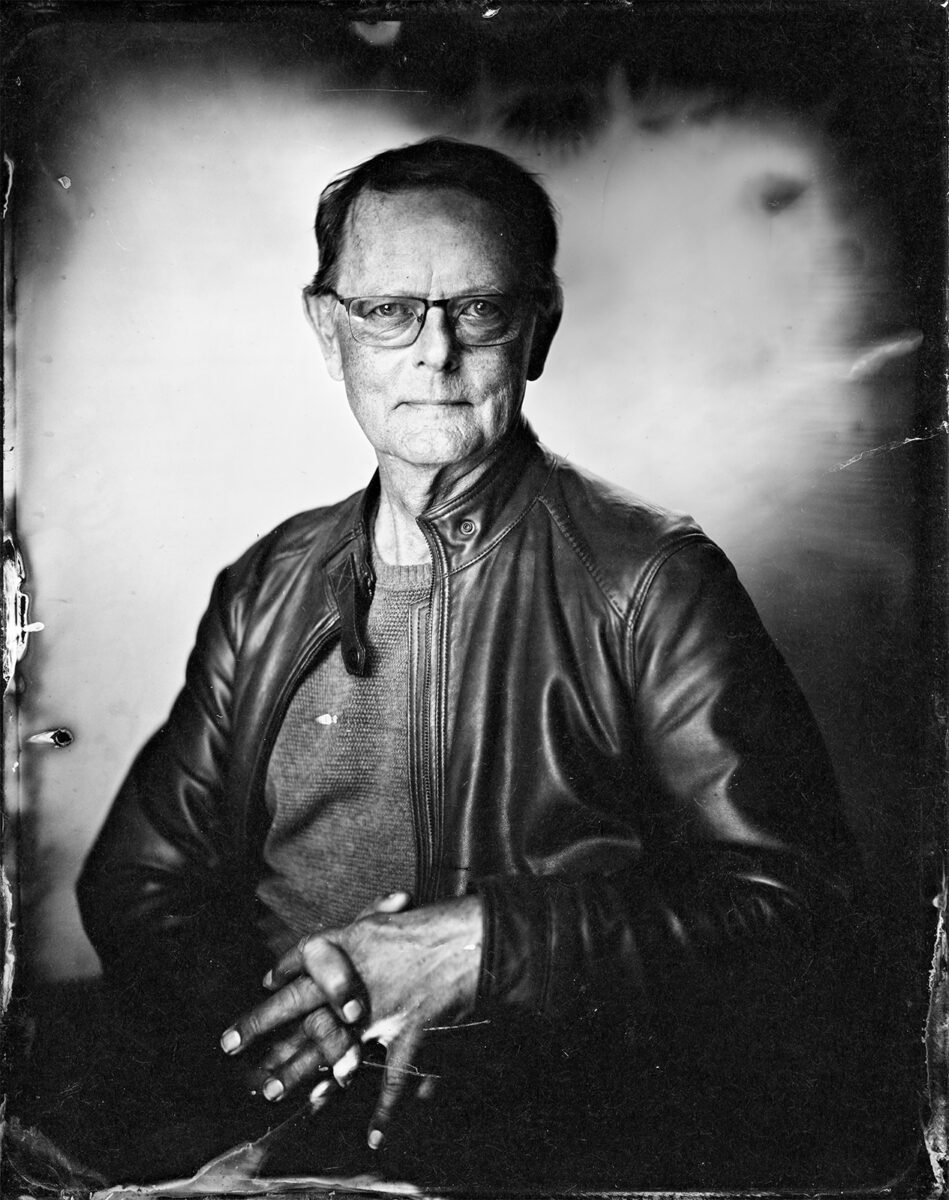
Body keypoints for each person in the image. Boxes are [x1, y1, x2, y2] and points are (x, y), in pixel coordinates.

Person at [76, 138, 875, 1187]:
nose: (435, 353)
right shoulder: (267, 584)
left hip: (543, 1152)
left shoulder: (651, 580)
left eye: (480, 311)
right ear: (327, 329)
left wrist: (486, 945)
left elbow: (799, 913)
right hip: (272, 1139)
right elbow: (139, 882)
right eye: (387, 311)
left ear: (538, 327)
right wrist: (295, 1026)